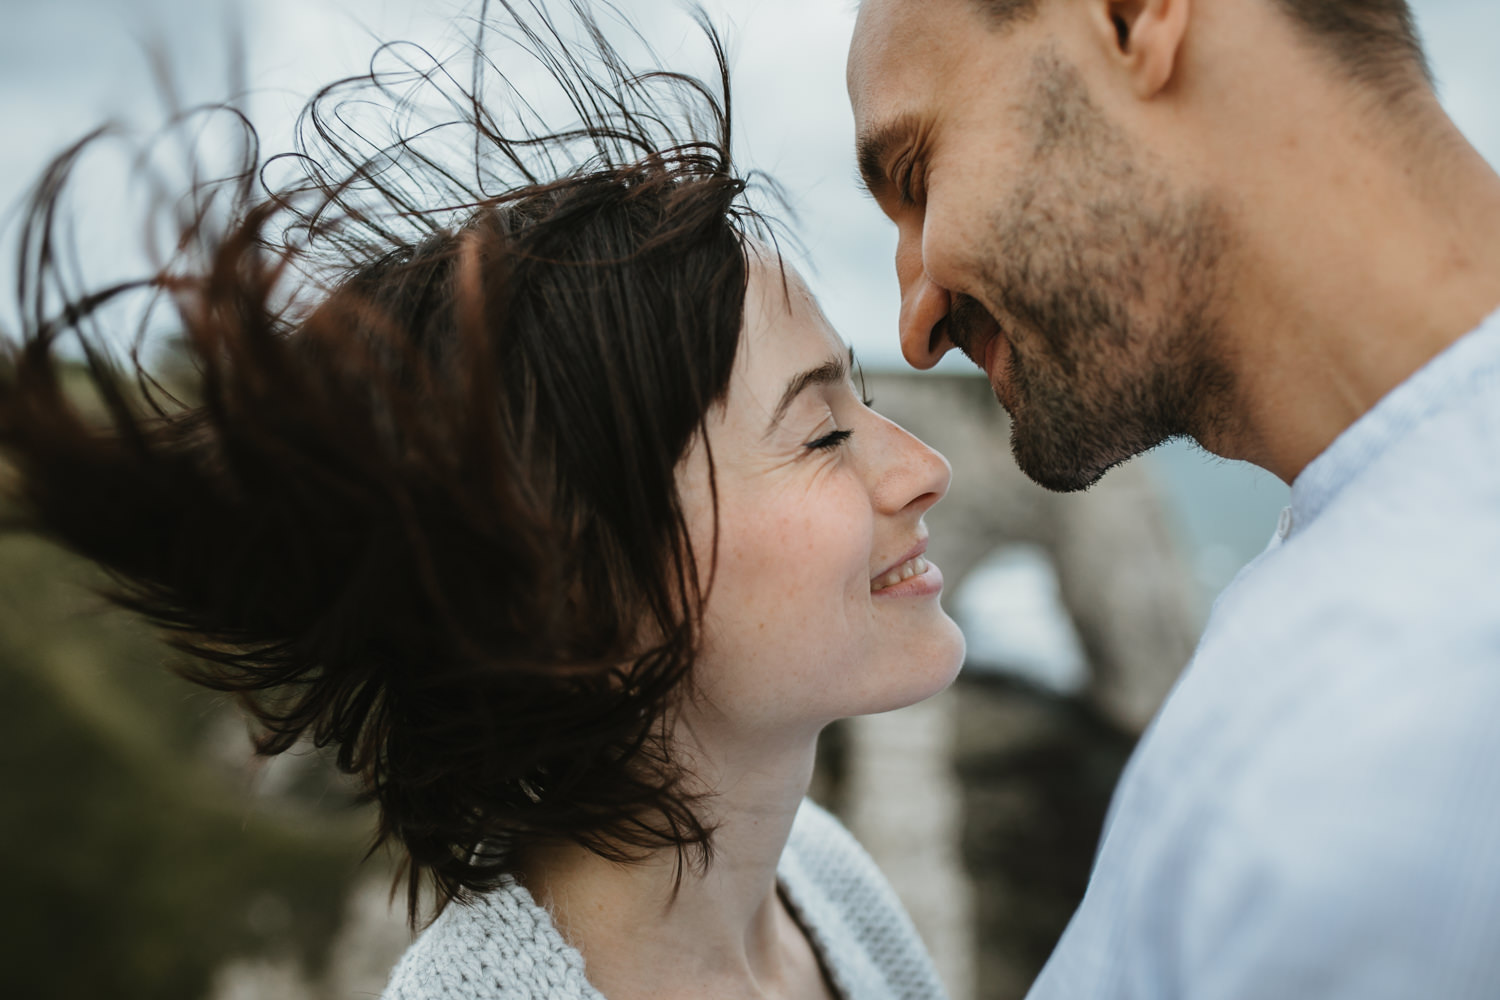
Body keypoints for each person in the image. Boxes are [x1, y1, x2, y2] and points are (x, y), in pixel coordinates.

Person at [0, 4, 962, 999]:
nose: (923, 466)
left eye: (868, 396)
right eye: (822, 434)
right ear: (583, 586)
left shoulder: (824, 885)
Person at [847, 0, 1500, 996]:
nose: (915, 326)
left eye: (918, 176)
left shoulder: (1408, 737)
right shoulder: (1375, 547)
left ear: (1131, 18)